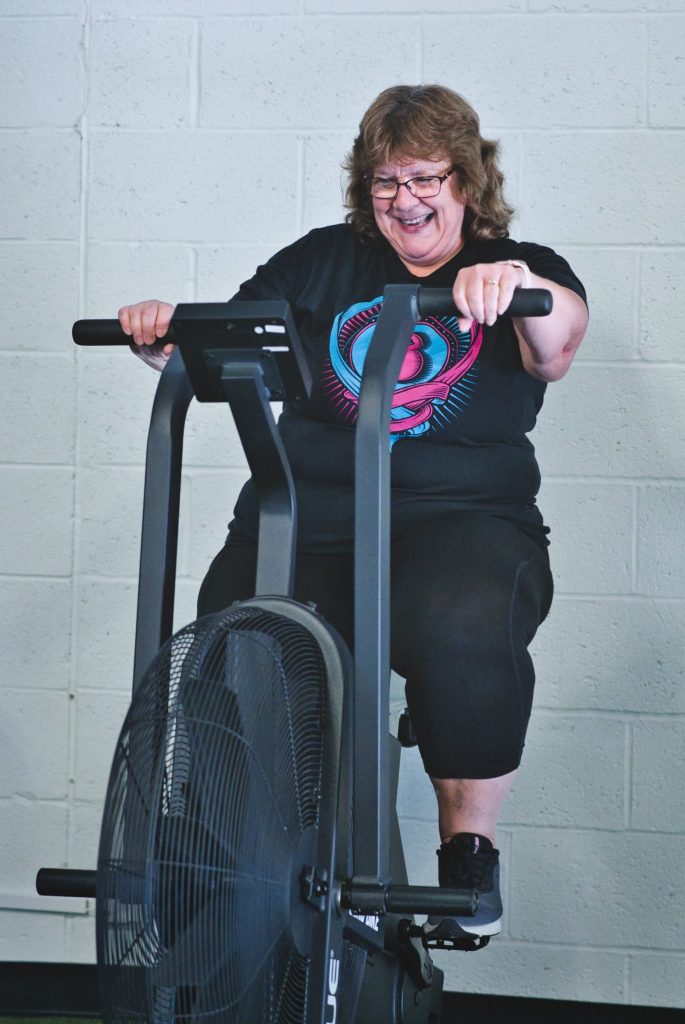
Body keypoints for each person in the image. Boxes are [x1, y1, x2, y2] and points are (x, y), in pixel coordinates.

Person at [119, 84, 589, 949]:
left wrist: (520, 285)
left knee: (459, 626)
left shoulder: (514, 263)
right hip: (311, 514)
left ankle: (469, 856)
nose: (404, 200)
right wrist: (168, 336)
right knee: (231, 639)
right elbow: (235, 341)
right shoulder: (320, 261)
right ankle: (215, 858)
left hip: (462, 519)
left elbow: (557, 343)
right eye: (384, 181)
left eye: (425, 178)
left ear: (465, 182)